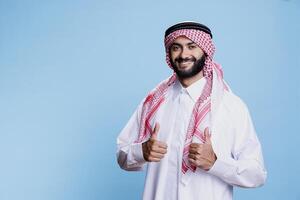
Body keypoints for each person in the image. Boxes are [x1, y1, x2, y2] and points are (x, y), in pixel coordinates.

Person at [116, 21, 267, 200]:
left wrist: (216, 163)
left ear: (205, 50)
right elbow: (122, 154)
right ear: (169, 54)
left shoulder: (231, 106)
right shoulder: (152, 103)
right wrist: (141, 151)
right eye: (176, 48)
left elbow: (257, 175)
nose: (183, 54)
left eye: (191, 46)